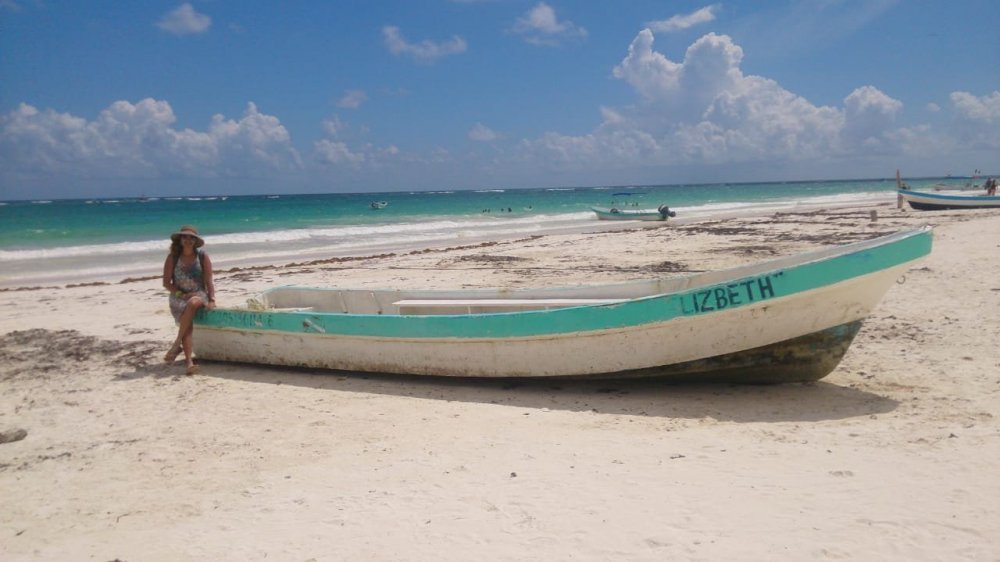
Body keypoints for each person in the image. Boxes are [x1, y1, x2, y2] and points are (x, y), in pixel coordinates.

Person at [162, 225, 216, 375]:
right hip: (178, 298)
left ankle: (177, 343)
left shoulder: (202, 256)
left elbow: (209, 280)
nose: (188, 240)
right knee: (188, 326)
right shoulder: (172, 258)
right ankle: (189, 364)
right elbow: (166, 283)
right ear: (180, 239)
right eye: (185, 237)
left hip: (199, 295)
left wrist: (211, 299)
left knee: (193, 302)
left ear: (195, 241)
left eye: (192, 237)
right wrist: (180, 294)